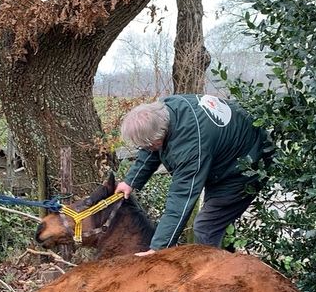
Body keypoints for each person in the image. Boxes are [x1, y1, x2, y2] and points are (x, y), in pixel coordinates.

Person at [114, 94, 272, 254]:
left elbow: (181, 199)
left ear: (160, 135)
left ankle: (212, 276)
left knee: (206, 227)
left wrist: (158, 249)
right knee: (216, 224)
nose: (148, 149)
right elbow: (152, 149)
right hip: (228, 155)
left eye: (148, 145)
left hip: (247, 165)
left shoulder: (190, 147)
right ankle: (228, 261)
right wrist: (130, 181)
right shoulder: (165, 110)